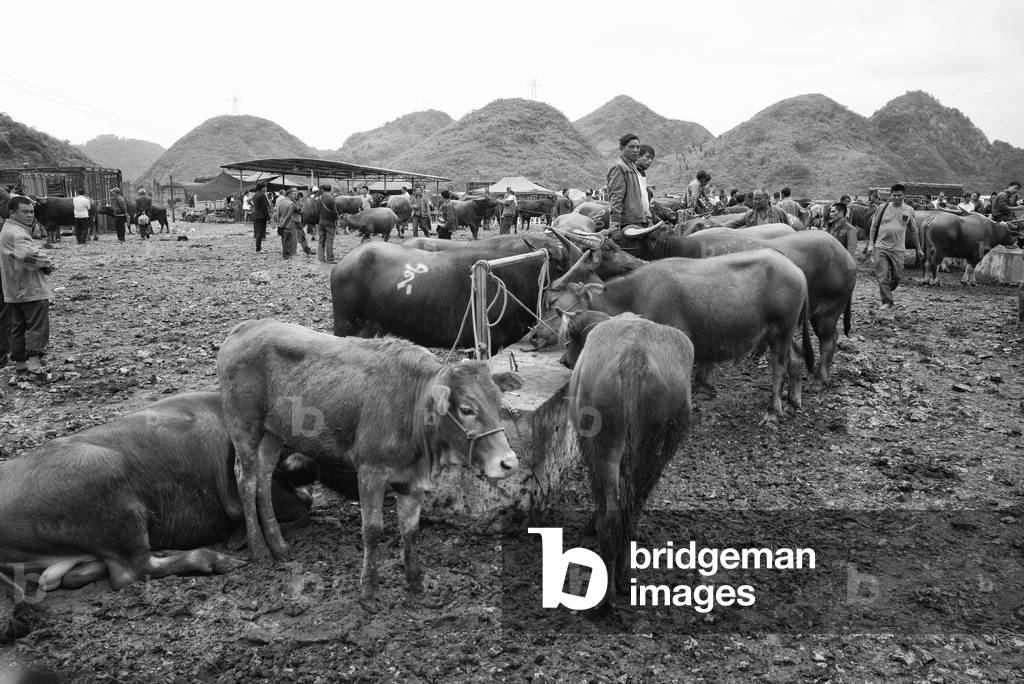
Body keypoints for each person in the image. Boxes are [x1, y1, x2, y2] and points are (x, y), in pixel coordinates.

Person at [1, 196, 55, 383]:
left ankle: (21, 368)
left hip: (14, 289)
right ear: (12, 213)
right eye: (25, 212)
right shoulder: (18, 233)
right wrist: (47, 262)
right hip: (30, 289)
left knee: (19, 327)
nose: (30, 215)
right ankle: (35, 368)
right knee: (37, 327)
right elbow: (29, 256)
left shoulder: (7, 230)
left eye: (31, 211)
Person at [866, 183, 923, 310]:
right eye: (894, 195)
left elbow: (914, 230)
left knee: (897, 276)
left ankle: (886, 288)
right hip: (881, 247)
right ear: (890, 195)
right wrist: (871, 244)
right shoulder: (882, 207)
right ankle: (887, 301)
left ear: (904, 195)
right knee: (882, 276)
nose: (896, 198)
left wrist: (919, 249)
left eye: (899, 195)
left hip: (898, 249)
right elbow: (874, 226)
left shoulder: (909, 210)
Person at [606, 134, 650, 231]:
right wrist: (614, 226)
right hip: (628, 223)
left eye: (638, 147)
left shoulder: (632, 168)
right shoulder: (619, 167)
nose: (635, 150)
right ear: (622, 148)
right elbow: (616, 197)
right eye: (631, 147)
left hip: (637, 220)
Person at [724, 188, 790, 227]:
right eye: (755, 199)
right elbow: (735, 223)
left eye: (759, 199)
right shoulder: (750, 214)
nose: (756, 201)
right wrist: (721, 226)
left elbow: (789, 230)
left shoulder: (779, 212)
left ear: (768, 198)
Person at [273, 189, 302, 258]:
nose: (294, 196)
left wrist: (279, 222)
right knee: (289, 239)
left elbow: (277, 213)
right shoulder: (291, 203)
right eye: (292, 194)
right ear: (289, 194)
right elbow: (290, 215)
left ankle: (285, 253)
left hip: (281, 222)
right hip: (288, 223)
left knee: (284, 239)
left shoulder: (281, 202)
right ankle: (288, 254)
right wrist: (284, 223)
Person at [316, 183, 337, 263]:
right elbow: (334, 212)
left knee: (321, 240)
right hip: (329, 222)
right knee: (329, 240)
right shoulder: (331, 199)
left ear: (322, 190)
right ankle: (329, 259)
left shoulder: (318, 199)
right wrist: (336, 220)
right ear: (330, 190)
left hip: (321, 221)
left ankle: (321, 258)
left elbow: (318, 211)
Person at [251, 184, 271, 252]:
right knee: (260, 232)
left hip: (256, 215)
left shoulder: (255, 195)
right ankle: (258, 248)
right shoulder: (262, 195)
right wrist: (268, 217)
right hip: (261, 216)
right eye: (265, 187)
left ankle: (258, 247)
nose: (266, 188)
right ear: (262, 188)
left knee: (258, 232)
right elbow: (264, 208)